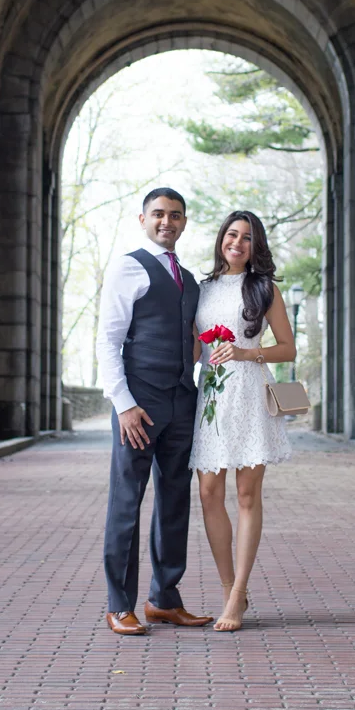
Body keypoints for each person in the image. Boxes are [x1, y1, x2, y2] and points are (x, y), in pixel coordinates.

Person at [96, 187, 214, 635]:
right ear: (143, 219)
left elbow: (192, 340)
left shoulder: (189, 278)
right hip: (140, 401)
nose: (168, 221)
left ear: (184, 222)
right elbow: (108, 340)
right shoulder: (128, 266)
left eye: (176, 215)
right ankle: (119, 604)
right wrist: (123, 404)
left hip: (182, 398)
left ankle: (164, 598)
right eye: (159, 214)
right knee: (127, 499)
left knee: (175, 499)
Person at [190, 210, 296, 632]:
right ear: (221, 239)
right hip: (212, 397)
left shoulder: (264, 288)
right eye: (231, 235)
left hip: (250, 393)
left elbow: (287, 348)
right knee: (208, 493)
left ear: (256, 246)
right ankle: (227, 585)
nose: (237, 243)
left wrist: (245, 353)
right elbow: (194, 348)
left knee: (248, 495)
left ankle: (237, 596)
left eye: (247, 238)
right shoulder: (201, 290)